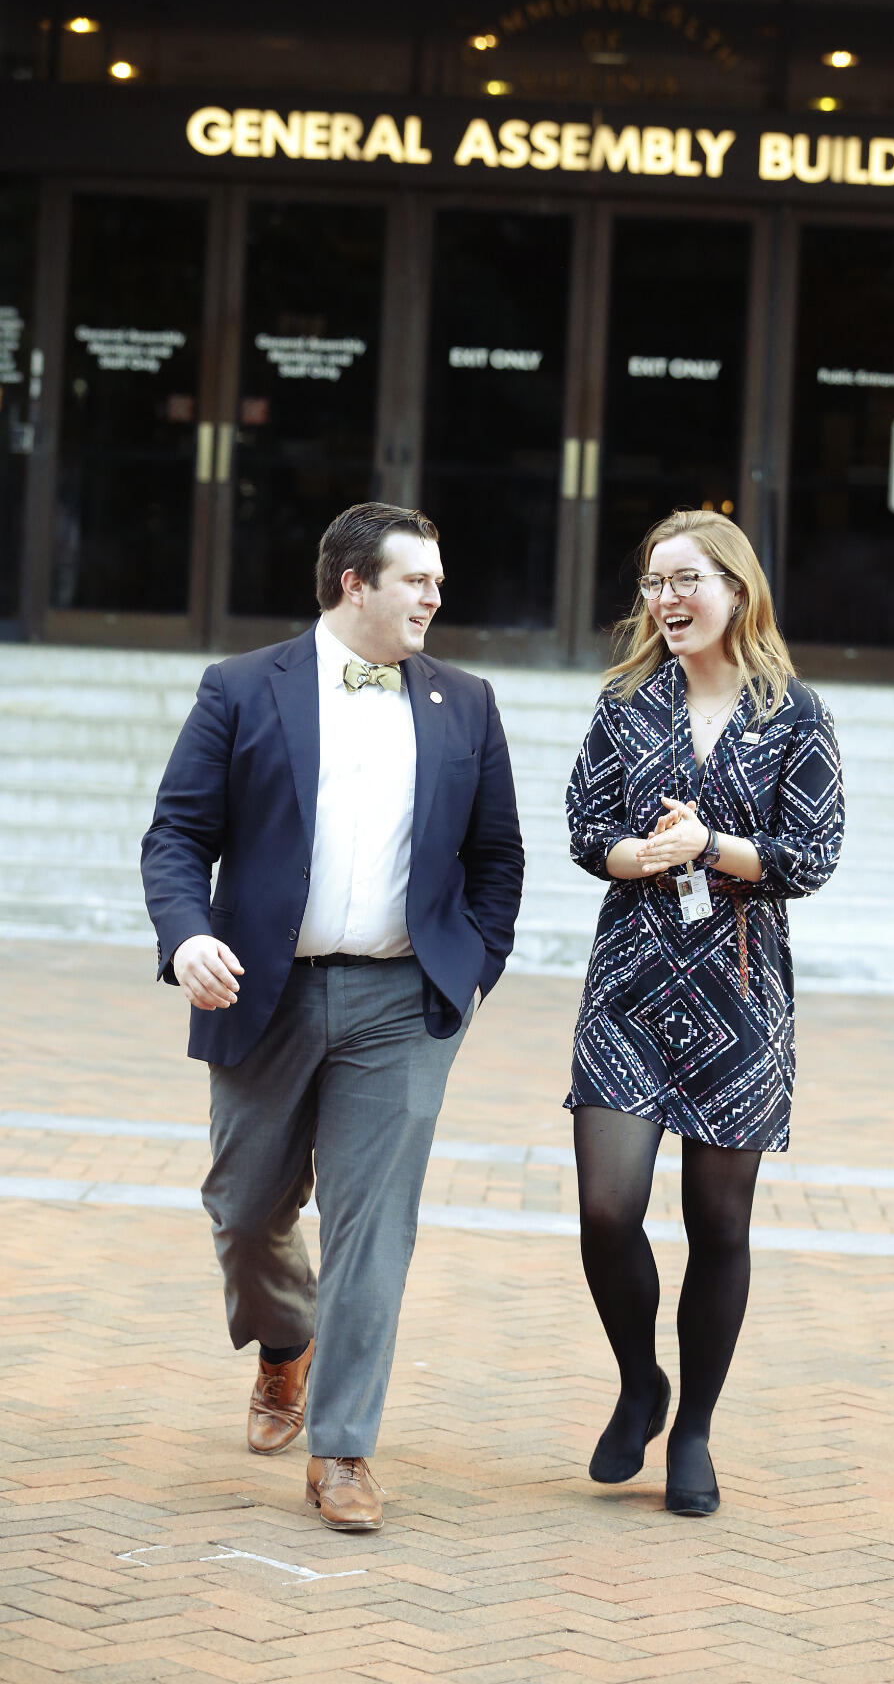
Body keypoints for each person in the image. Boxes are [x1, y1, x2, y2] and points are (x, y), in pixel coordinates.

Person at [142, 503, 523, 1532]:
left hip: (403, 1002)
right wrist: (186, 940)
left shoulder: (466, 703)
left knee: (374, 1228)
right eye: (417, 581)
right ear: (353, 584)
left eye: (439, 581)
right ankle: (284, 1342)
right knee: (244, 1208)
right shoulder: (240, 689)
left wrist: (471, 969)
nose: (436, 597)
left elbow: (497, 859)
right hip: (262, 993)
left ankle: (344, 1447)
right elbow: (178, 833)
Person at [565, 508, 843, 1516]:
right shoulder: (628, 704)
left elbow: (809, 859)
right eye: (652, 584)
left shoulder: (795, 716)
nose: (666, 601)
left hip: (738, 991)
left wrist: (712, 847)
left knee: (719, 1224)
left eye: (685, 580)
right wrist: (627, 856)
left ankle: (695, 1431)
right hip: (632, 982)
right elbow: (583, 823)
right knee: (607, 1209)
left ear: (735, 588)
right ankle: (642, 1382)